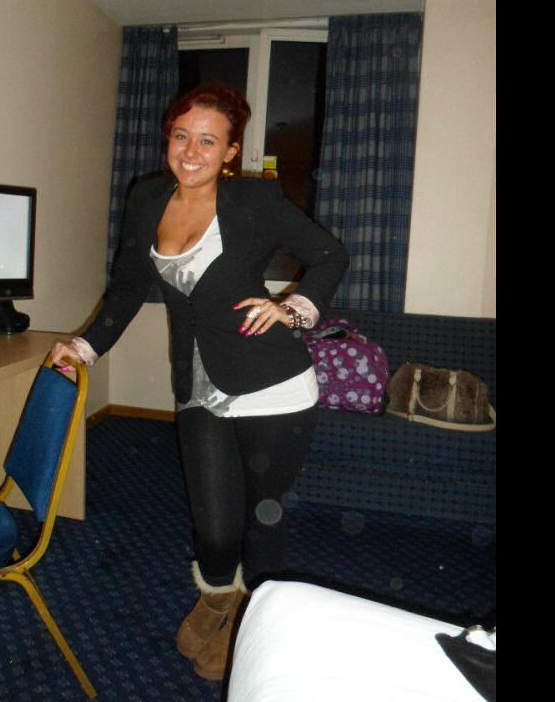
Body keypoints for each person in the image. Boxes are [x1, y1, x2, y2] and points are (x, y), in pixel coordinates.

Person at [50, 81, 349, 681]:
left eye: (208, 141)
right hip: (198, 385)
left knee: (262, 518)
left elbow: (330, 255)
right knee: (213, 526)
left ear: (231, 151)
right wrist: (84, 347)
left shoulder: (255, 201)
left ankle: (251, 627)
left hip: (273, 385)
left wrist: (294, 308)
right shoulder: (147, 197)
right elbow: (128, 287)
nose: (191, 151)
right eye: (182, 136)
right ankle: (219, 596)